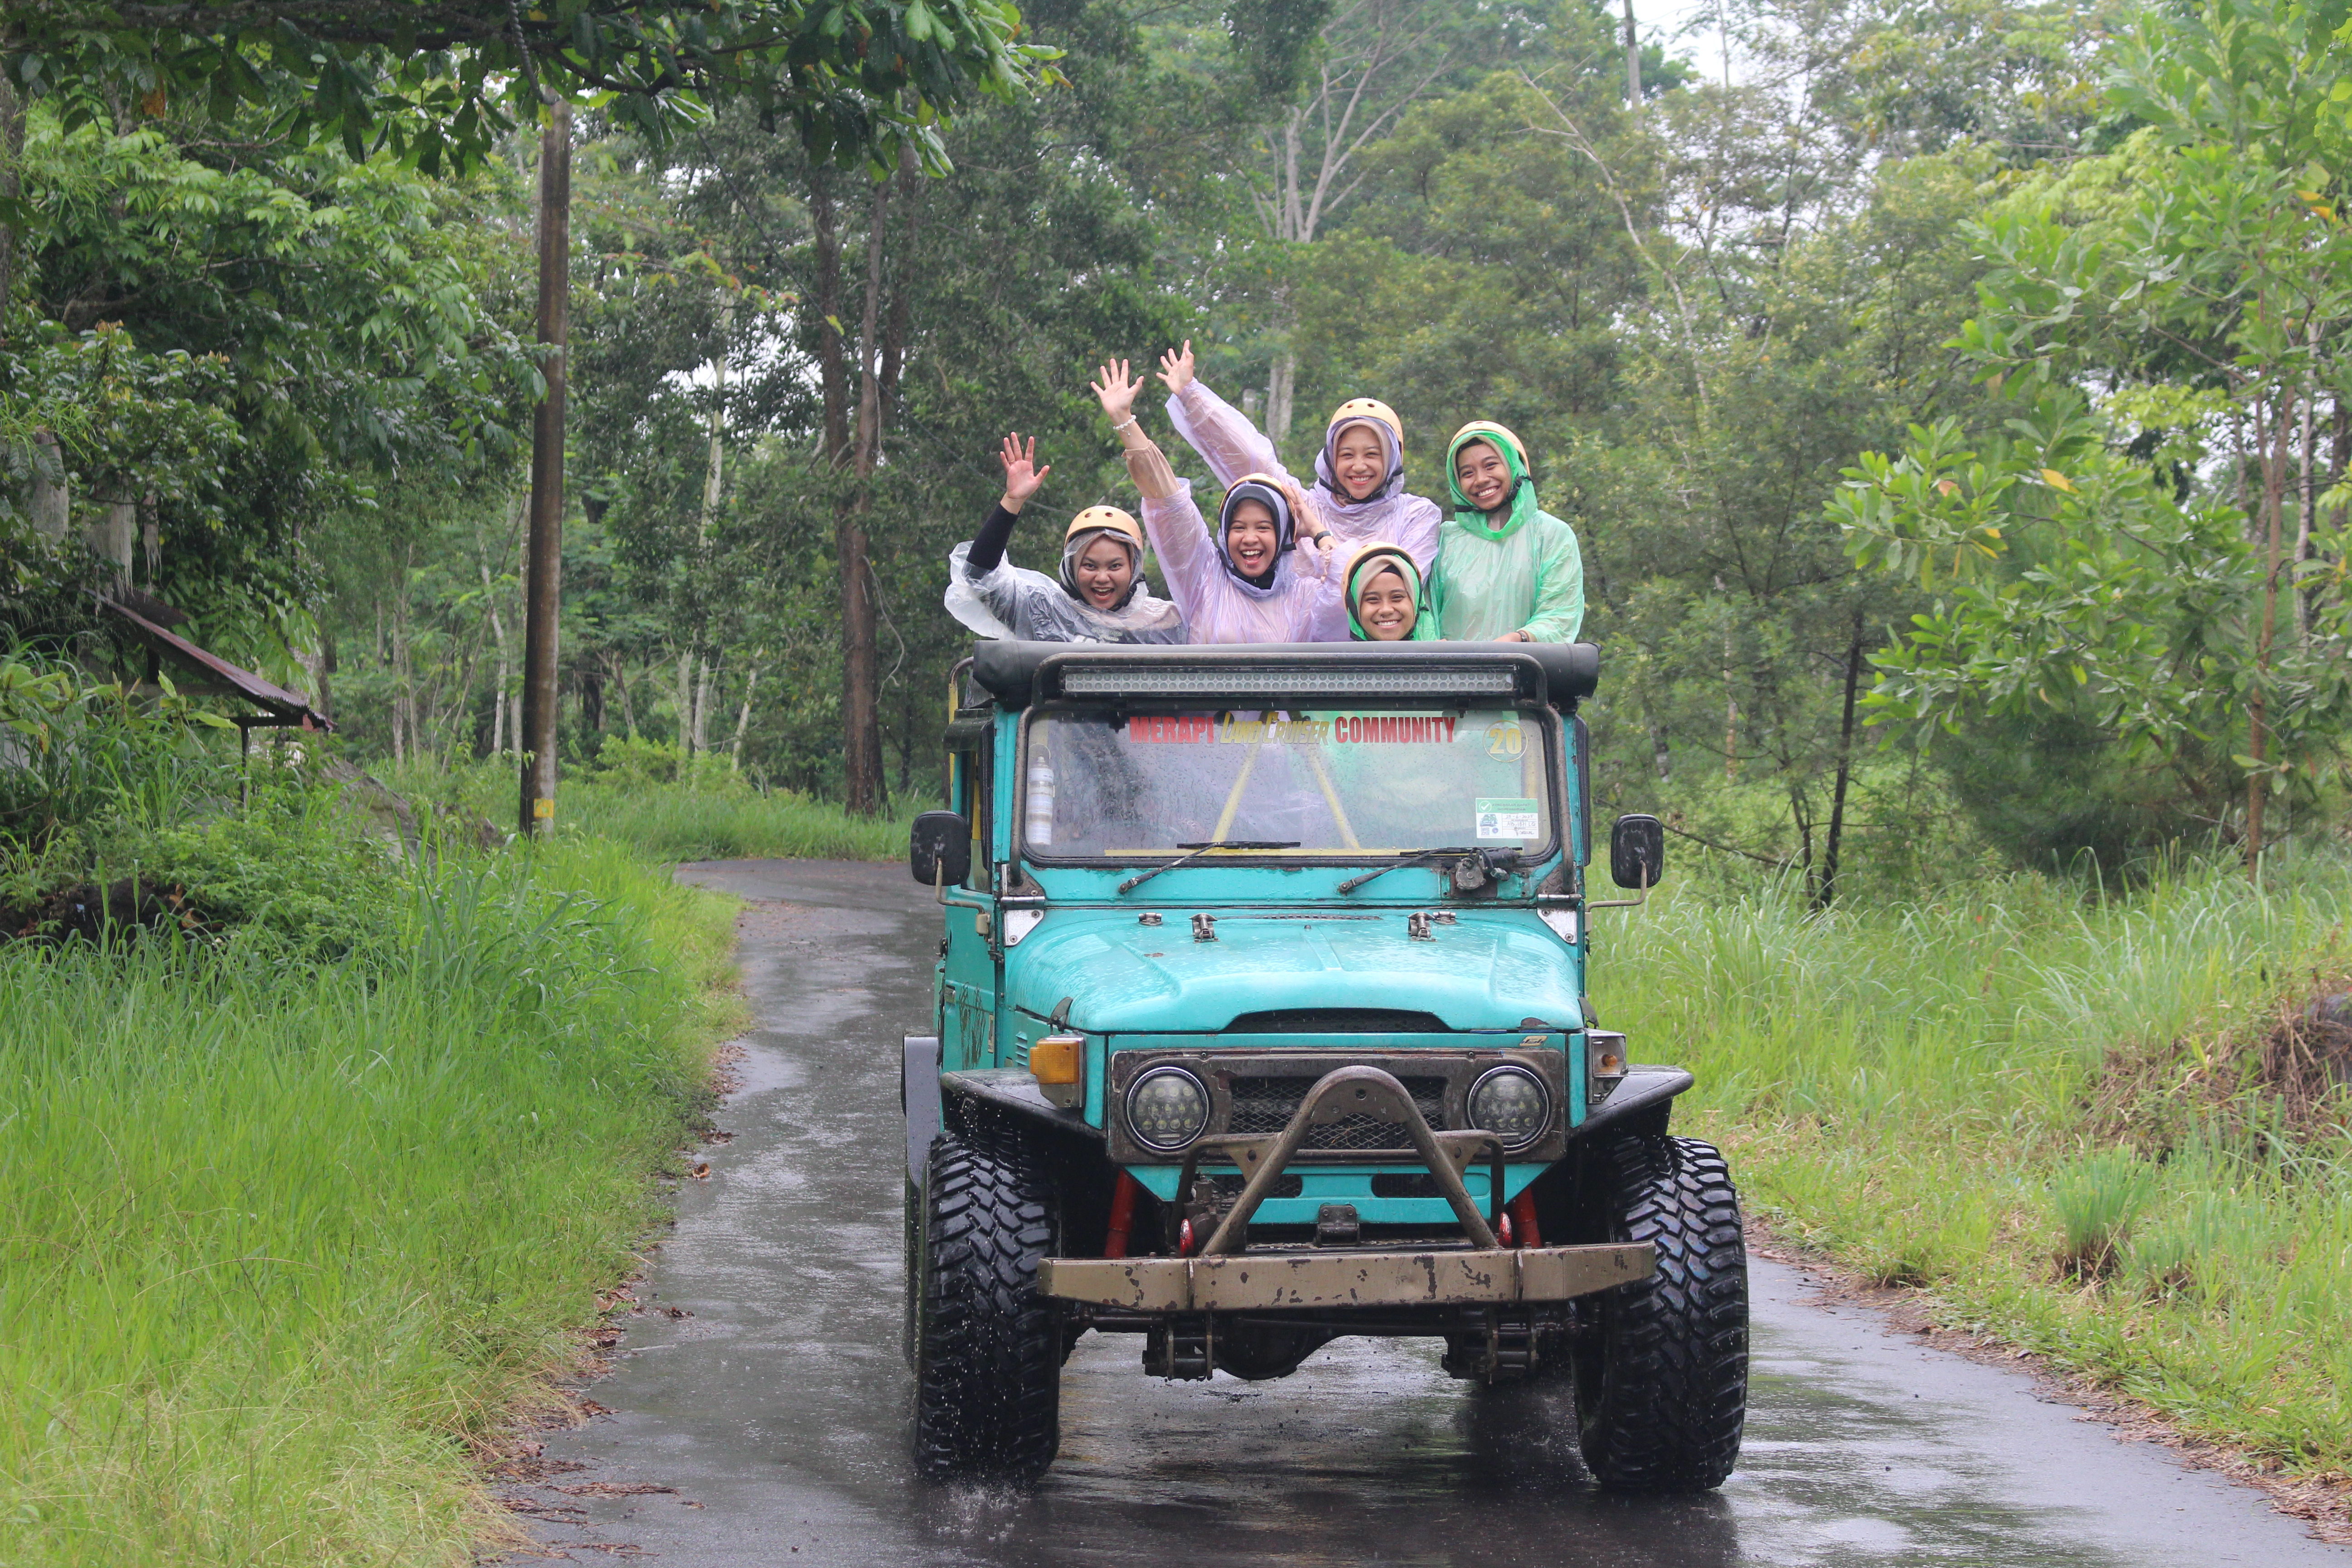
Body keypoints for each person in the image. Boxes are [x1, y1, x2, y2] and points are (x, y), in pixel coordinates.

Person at [1091, 359, 1344, 645]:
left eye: (1263, 527)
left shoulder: (1306, 596)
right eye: (1239, 527)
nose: (1250, 539)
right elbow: (1168, 501)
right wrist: (1124, 420)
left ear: (1284, 535)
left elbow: (1351, 593)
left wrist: (1318, 531)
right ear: (1225, 534)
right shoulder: (1205, 580)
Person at [1156, 341, 1441, 584]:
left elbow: (1395, 586)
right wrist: (1191, 396)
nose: (1358, 466)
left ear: (1392, 459)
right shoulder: (1306, 506)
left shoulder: (1416, 515)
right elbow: (1250, 459)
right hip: (1312, 649)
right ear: (1330, 459)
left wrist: (1319, 534)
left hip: (1386, 648)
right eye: (1346, 455)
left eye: (1372, 454)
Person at [943, 431, 1186, 644]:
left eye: (1115, 566)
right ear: (1071, 567)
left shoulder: (1165, 624)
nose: (1102, 578)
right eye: (1089, 565)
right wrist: (1012, 502)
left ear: (1135, 569)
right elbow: (979, 577)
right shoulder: (1042, 610)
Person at [1427, 421, 1585, 642]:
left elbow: (1561, 615)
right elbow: (1425, 616)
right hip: (1454, 675)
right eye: (1467, 473)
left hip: (1528, 672)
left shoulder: (1552, 535)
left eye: (1491, 465)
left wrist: (1520, 640)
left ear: (1515, 465)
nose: (1481, 480)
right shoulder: (1444, 540)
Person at [1342, 543, 1434, 642]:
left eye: (1397, 597)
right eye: (1373, 599)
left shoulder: (1443, 655)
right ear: (1353, 606)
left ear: (1416, 602)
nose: (1386, 610)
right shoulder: (1334, 657)